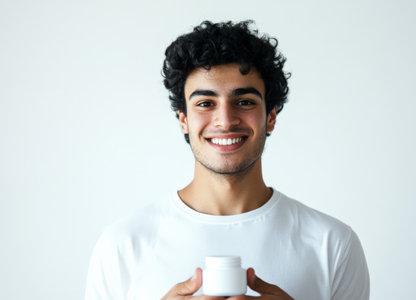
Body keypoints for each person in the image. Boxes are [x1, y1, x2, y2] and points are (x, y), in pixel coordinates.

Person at [85, 20, 370, 300]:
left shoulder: (332, 245)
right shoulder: (122, 246)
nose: (225, 121)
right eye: (205, 103)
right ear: (184, 120)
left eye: (244, 101)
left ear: (270, 116)